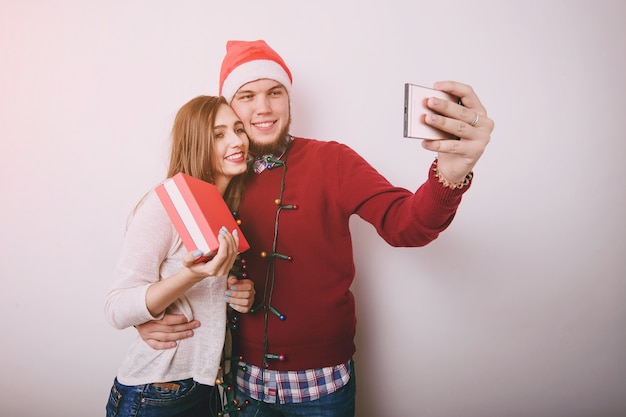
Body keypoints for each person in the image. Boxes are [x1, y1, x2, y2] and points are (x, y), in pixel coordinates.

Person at [136, 40, 494, 417]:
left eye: (275, 92)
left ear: (288, 100)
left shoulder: (333, 160)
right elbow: (174, 268)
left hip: (322, 388)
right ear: (229, 107)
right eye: (247, 95)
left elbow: (406, 225)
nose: (263, 107)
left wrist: (449, 176)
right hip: (240, 386)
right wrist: (149, 320)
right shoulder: (218, 178)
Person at [104, 95, 256, 417]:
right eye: (219, 134)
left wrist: (238, 294)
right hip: (159, 391)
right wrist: (190, 275)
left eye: (238, 129)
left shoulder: (225, 208)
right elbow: (116, 307)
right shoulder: (164, 206)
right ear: (196, 143)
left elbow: (206, 302)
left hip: (207, 388)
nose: (237, 140)